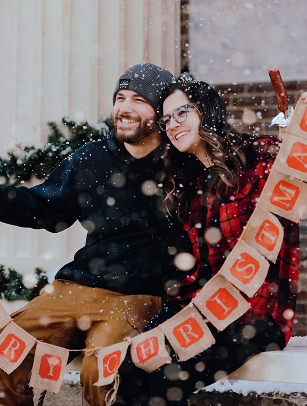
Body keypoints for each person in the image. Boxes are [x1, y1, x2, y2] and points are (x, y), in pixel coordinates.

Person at [0, 63, 197, 406]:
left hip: (137, 296)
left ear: (161, 113)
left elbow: (235, 163)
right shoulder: (90, 158)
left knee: (104, 374)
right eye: (120, 97)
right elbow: (48, 209)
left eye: (139, 99)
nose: (125, 107)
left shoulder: (181, 162)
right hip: (73, 289)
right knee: (6, 355)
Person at [128, 79, 304, 406]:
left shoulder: (260, 156)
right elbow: (203, 269)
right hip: (205, 309)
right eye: (166, 120)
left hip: (257, 316)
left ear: (205, 112)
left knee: (166, 381)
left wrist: (292, 149)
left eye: (181, 113)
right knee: (132, 365)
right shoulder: (193, 187)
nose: (172, 125)